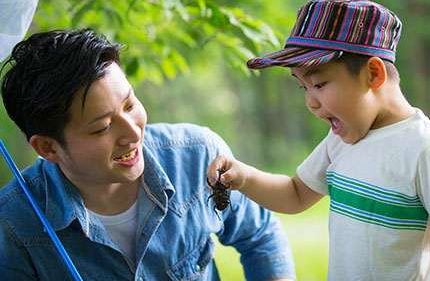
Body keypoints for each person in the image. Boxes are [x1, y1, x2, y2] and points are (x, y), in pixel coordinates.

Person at [207, 0, 430, 280]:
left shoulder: (425, 148)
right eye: (303, 88)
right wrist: (245, 177)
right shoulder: (339, 140)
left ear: (374, 74)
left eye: (319, 84)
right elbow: (295, 194)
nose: (311, 102)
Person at [0, 29, 296, 281]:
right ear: (48, 148)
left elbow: (260, 236)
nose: (133, 133)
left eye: (129, 105)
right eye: (102, 127)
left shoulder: (199, 155)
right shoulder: (13, 225)